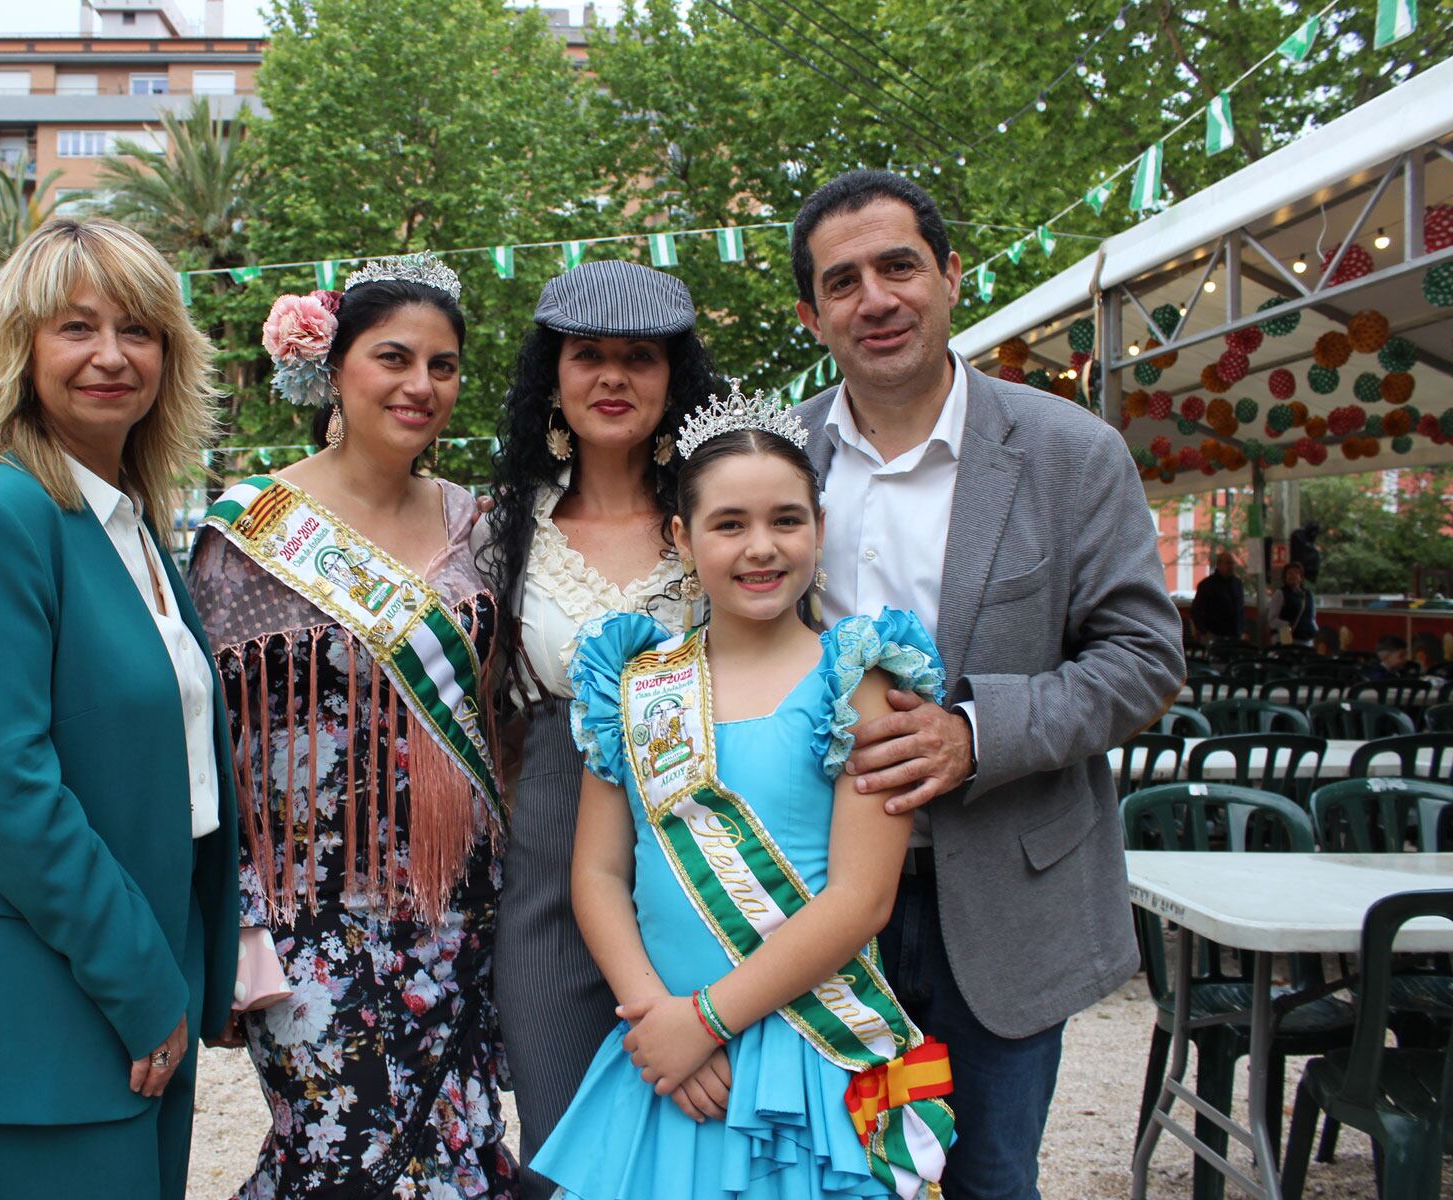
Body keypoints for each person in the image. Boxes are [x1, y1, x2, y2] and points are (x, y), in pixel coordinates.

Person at [785, 169, 1184, 1198]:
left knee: (990, 1180)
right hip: (806, 897)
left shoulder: (1069, 452)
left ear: (951, 276)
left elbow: (1144, 658)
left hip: (1004, 894)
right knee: (819, 1177)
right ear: (810, 313)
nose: (876, 299)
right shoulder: (774, 459)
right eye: (843, 281)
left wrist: (977, 733)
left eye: (899, 266)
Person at [0, 217, 240, 1200]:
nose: (112, 355)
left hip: (126, 991)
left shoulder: (132, 526)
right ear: (21, 352)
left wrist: (201, 963)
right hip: (30, 1015)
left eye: (140, 329)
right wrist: (145, 983)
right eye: (76, 327)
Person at [531, 399, 955, 1200]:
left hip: (808, 1058)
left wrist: (707, 1020)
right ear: (681, 540)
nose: (761, 547)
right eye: (728, 524)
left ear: (819, 530)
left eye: (786, 520)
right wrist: (657, 1017)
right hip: (663, 1055)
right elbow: (596, 875)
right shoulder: (634, 685)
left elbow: (863, 900)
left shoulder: (858, 679)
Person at [188, 254, 518, 1198]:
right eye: (394, 358)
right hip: (306, 917)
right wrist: (225, 918)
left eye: (443, 365)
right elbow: (211, 739)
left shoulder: (479, 526)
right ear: (336, 369)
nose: (421, 385)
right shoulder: (248, 530)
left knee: (455, 1143)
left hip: (454, 905)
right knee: (341, 1150)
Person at [478, 260, 716, 1195]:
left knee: (699, 1142)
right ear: (554, 376)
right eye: (589, 356)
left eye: (639, 357)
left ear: (675, 378)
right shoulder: (498, 529)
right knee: (561, 1150)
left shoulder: (721, 515)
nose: (613, 377)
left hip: (702, 857)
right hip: (544, 863)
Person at [1189, 551, 1245, 642]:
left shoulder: (1237, 584)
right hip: (1214, 635)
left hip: (1235, 635)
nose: (1231, 566)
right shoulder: (1207, 585)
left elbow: (1240, 608)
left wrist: (1241, 629)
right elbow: (1196, 611)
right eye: (1228, 563)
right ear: (1219, 565)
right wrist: (1205, 632)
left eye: (1233, 563)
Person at [1270, 561, 1317, 643]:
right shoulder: (1280, 593)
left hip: (1307, 639)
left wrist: (1316, 632)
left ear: (1301, 577)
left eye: (1296, 572)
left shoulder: (1308, 595)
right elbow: (1272, 619)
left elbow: (1312, 618)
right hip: (1287, 638)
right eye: (1289, 573)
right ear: (1285, 577)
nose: (1293, 575)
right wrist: (1287, 625)